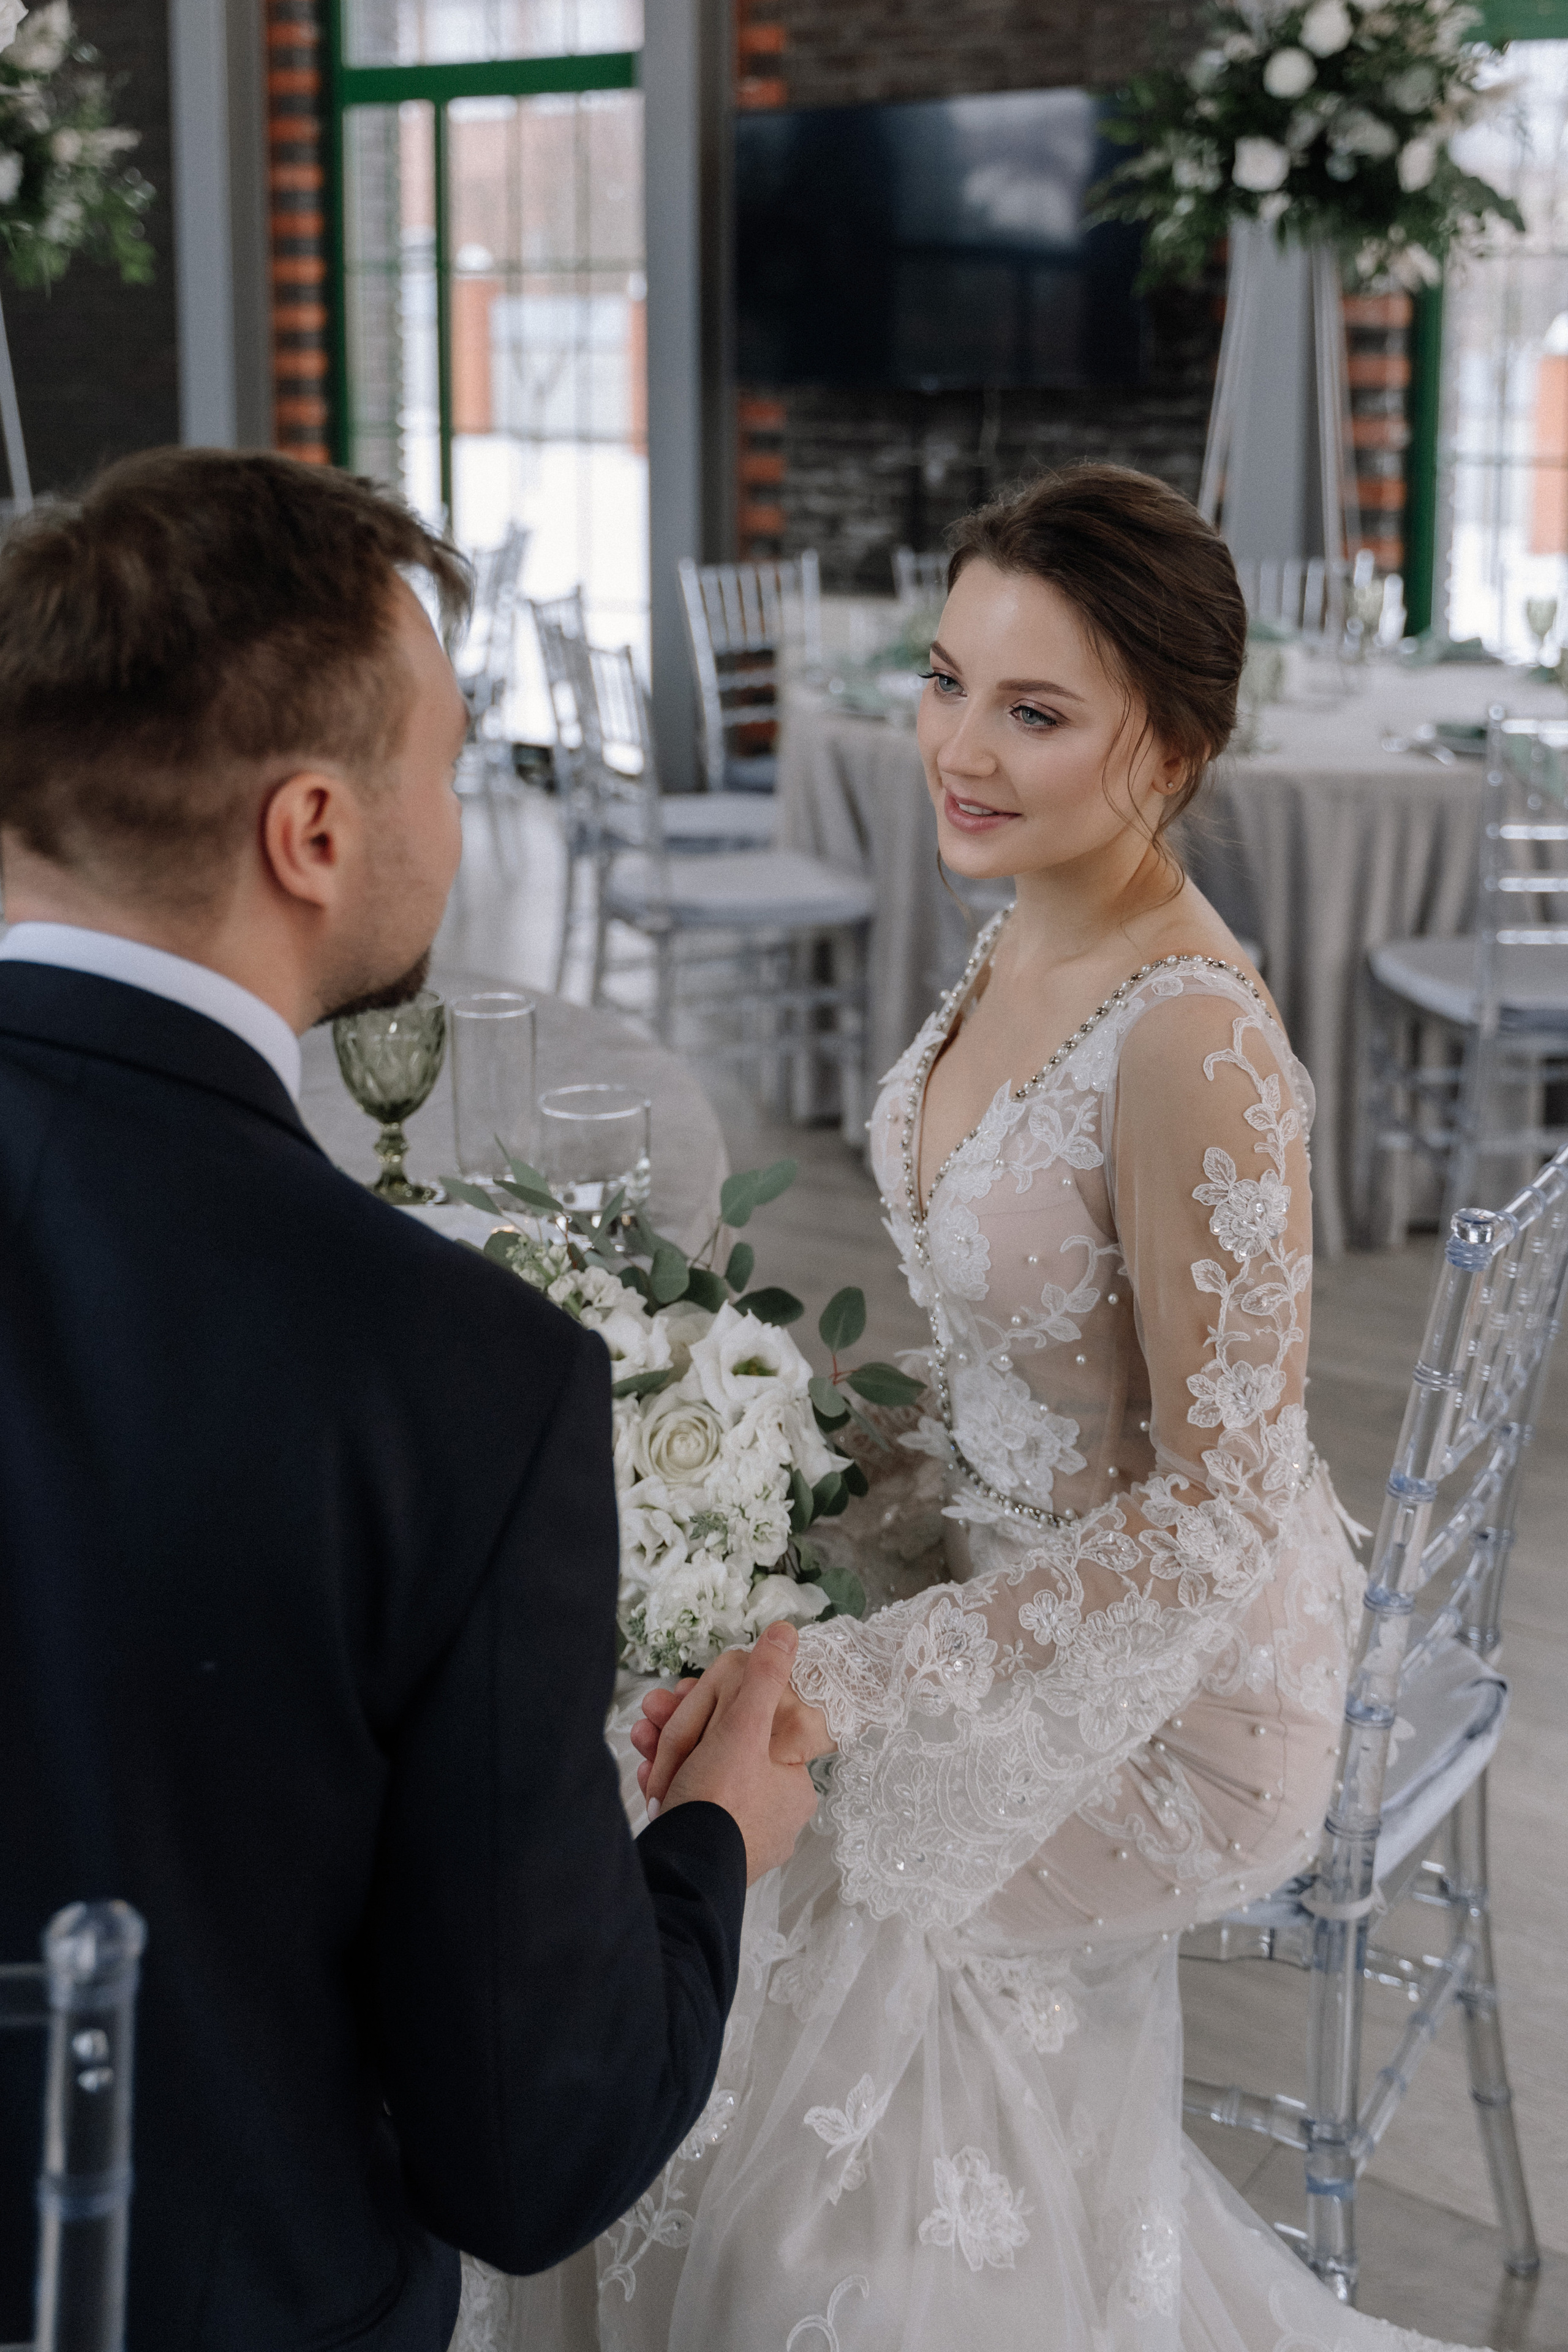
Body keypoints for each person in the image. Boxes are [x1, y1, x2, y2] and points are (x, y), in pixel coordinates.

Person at [475, 467, 1454, 2352]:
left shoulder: (1193, 1041)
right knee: (658, 1771)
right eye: (946, 681)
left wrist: (855, 1678)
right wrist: (800, 1492)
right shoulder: (1023, 924)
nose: (958, 750)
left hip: (1195, 1681)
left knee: (791, 1889)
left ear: (1169, 741)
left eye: (1033, 710)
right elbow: (1032, 1363)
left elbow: (1209, 1513)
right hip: (1024, 1578)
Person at [0, 448, 818, 2352]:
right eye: (442, 768)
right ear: (312, 831)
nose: (450, 823)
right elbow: (531, 2152)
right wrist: (716, 1840)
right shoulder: (452, 1380)